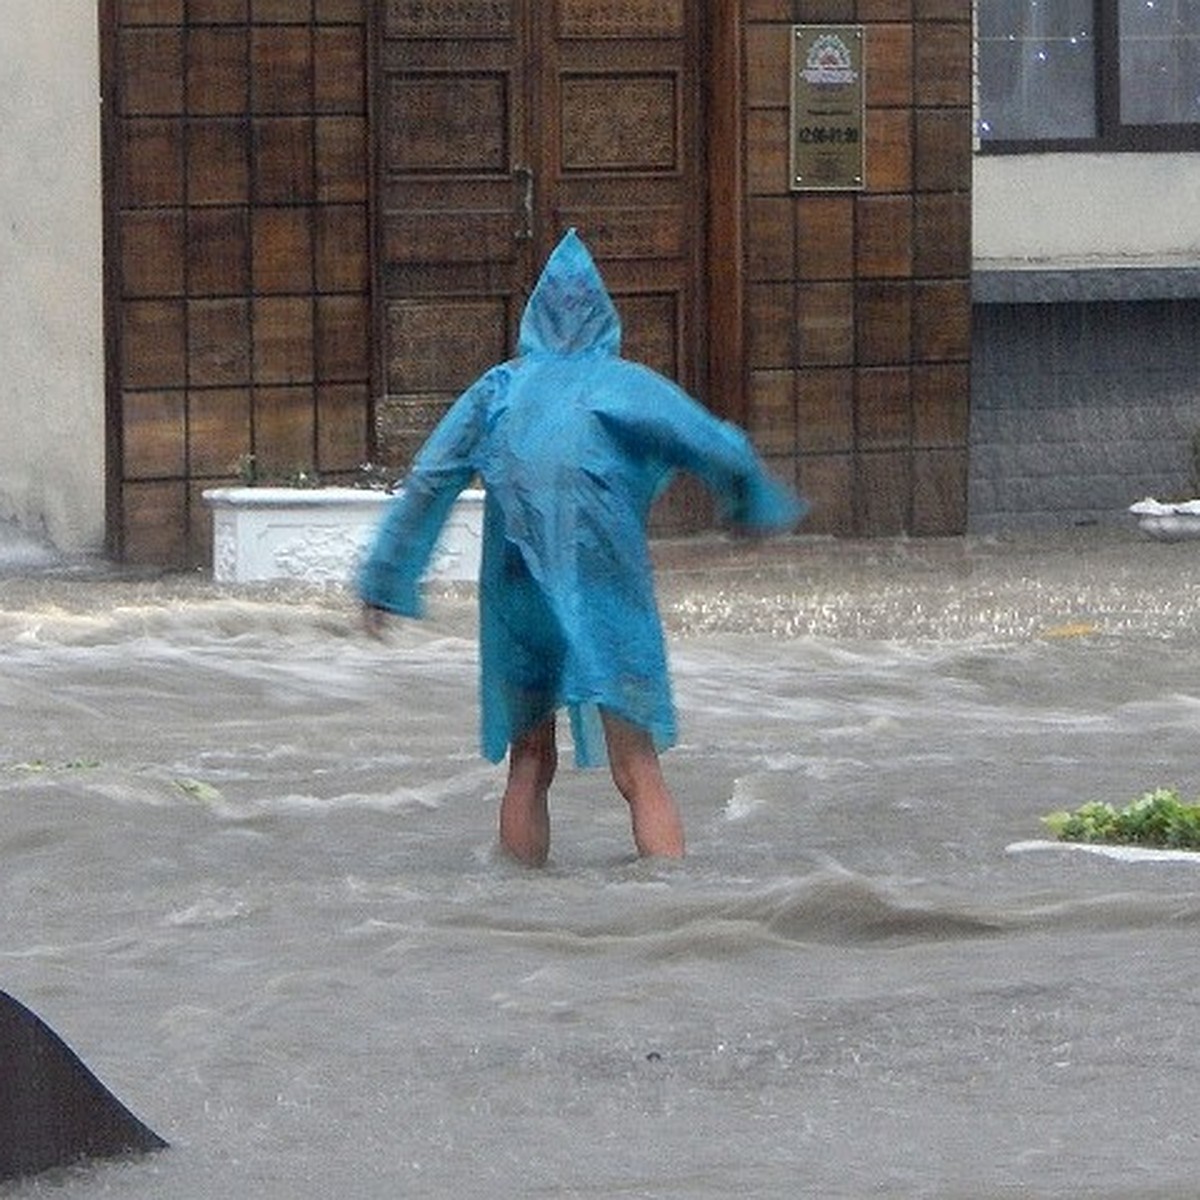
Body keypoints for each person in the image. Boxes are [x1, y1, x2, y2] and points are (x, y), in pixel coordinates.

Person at [359, 229, 806, 865]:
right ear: (604, 319)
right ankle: (675, 913)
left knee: (529, 763)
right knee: (638, 767)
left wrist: (385, 580)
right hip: (604, 581)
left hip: (518, 587)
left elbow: (431, 478)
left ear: (533, 320)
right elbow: (715, 444)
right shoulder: (624, 386)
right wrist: (749, 503)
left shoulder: (499, 390)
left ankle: (519, 917)